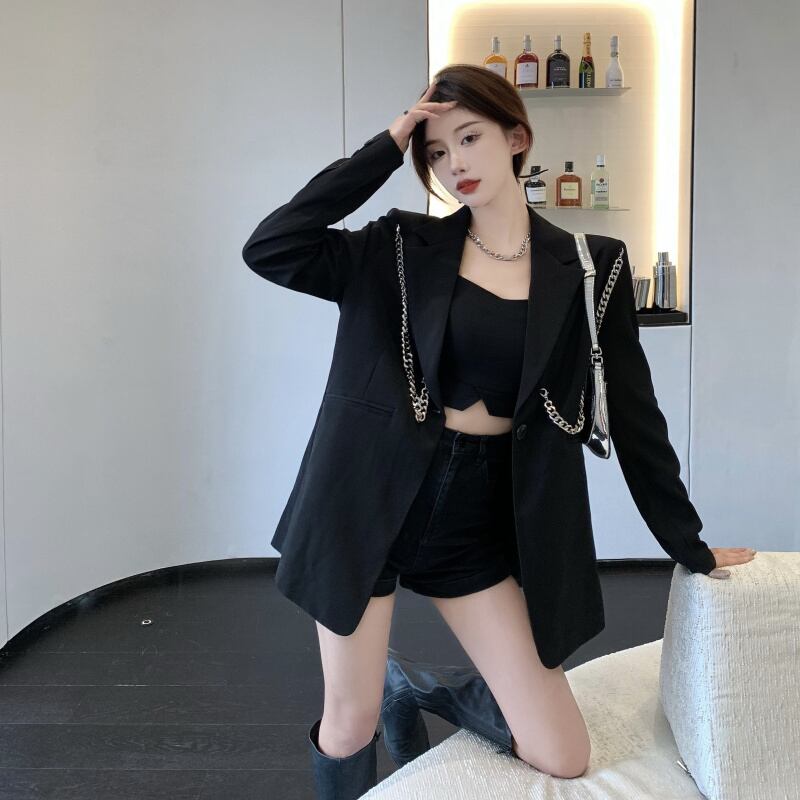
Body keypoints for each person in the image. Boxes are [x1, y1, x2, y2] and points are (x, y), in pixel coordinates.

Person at [241, 64, 757, 800]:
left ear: (517, 137)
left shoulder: (590, 267)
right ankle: (374, 713)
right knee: (349, 723)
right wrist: (387, 145)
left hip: (476, 523)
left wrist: (687, 541)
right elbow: (273, 246)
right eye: (435, 151)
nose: (454, 162)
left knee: (563, 753)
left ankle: (424, 688)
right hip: (366, 504)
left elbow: (636, 415)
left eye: (470, 137)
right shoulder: (398, 248)